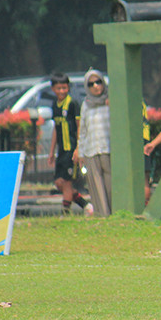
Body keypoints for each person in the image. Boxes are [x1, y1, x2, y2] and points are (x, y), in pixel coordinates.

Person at [47, 72, 93, 215]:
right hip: (61, 150)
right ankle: (85, 205)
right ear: (53, 89)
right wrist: (51, 151)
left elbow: (80, 126)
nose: (62, 91)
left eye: (64, 88)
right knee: (59, 183)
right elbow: (56, 128)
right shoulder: (55, 105)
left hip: (71, 148)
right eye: (59, 88)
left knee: (67, 183)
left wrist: (78, 148)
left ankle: (65, 213)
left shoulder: (72, 103)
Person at [74, 70, 112, 216]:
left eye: (98, 82)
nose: (95, 86)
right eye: (91, 84)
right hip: (91, 150)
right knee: (96, 185)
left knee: (110, 184)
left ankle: (115, 212)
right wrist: (80, 151)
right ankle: (103, 215)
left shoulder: (110, 101)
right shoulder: (86, 104)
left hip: (108, 148)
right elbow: (83, 130)